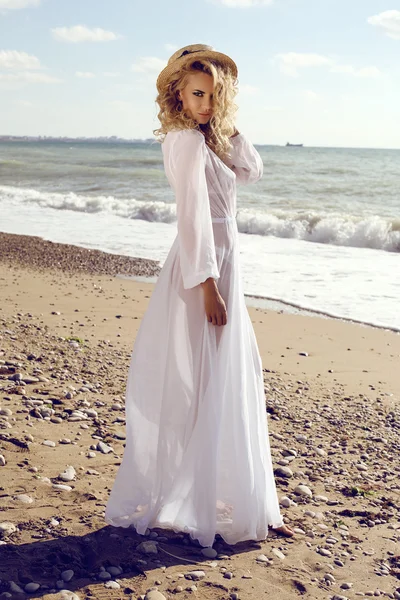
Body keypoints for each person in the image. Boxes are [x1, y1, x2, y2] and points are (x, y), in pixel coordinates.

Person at [105, 44, 295, 547]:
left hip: (226, 263)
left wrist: (226, 127)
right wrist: (207, 285)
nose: (205, 104)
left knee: (233, 373)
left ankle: (238, 497)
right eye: (196, 94)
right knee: (207, 376)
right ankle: (196, 497)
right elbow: (191, 220)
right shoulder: (185, 142)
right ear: (178, 95)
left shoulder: (210, 138)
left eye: (213, 95)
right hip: (202, 270)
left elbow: (253, 170)